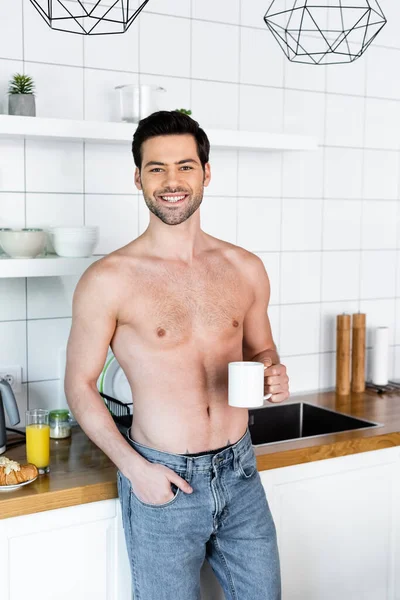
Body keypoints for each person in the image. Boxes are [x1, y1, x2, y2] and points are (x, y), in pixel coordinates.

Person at [64, 110, 290, 600]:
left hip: (241, 472)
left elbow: (261, 348)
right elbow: (79, 386)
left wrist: (273, 371)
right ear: (138, 178)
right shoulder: (109, 280)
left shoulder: (245, 267)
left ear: (206, 173)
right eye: (157, 168)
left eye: (185, 166)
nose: (172, 182)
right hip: (162, 478)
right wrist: (135, 470)